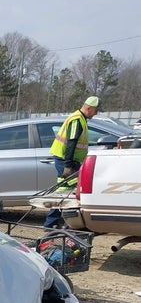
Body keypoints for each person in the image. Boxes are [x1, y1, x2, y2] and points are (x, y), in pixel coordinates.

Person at [44, 95, 99, 227]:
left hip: (69, 160)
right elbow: (71, 143)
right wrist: (68, 166)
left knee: (66, 191)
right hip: (66, 160)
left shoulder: (80, 119)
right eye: (96, 110)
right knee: (66, 191)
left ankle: (55, 222)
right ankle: (52, 223)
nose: (96, 113)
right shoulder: (77, 120)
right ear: (89, 108)